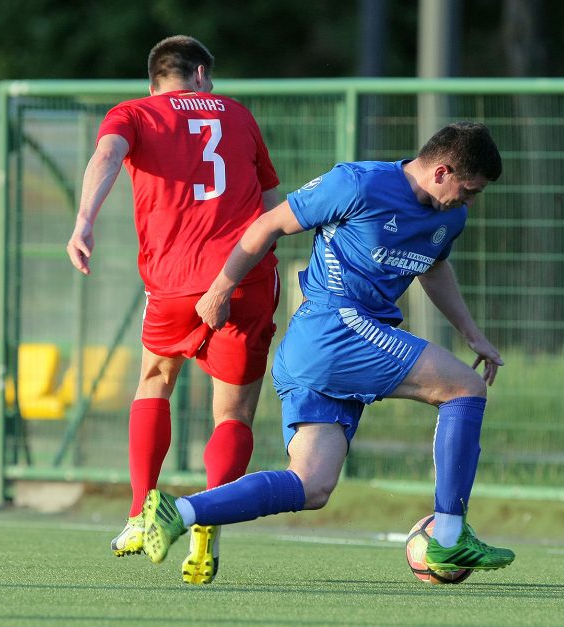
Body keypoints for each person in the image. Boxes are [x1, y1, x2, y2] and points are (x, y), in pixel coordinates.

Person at [140, 121, 516, 576]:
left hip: (332, 350)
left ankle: (176, 513)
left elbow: (433, 267)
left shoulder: (450, 215)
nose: (470, 201)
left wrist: (472, 333)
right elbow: (269, 225)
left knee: (312, 486)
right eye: (468, 189)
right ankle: (450, 538)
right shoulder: (357, 184)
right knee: (465, 389)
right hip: (333, 329)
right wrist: (221, 288)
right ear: (442, 170)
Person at [66, 35, 281, 584]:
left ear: (154, 80)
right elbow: (268, 202)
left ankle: (141, 514)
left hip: (174, 280)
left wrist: (85, 219)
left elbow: (108, 154)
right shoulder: (237, 114)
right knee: (232, 412)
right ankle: (205, 528)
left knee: (155, 379)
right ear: (202, 74)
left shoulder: (134, 112)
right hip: (245, 275)